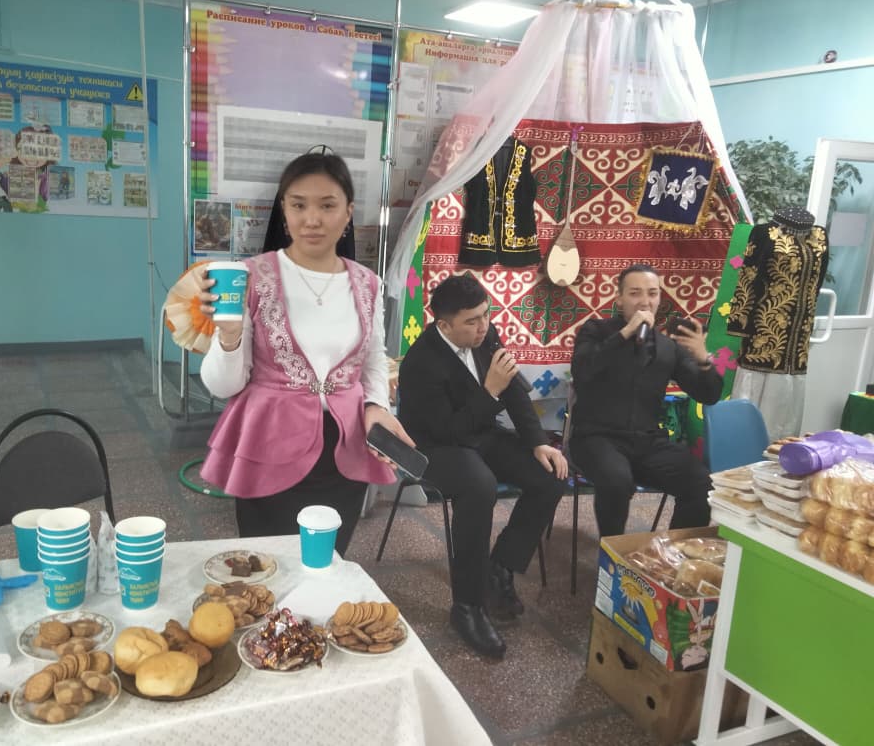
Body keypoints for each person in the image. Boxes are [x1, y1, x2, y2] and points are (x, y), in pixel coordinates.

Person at [198, 152, 412, 555]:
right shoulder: (250, 276)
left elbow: (373, 359)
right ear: (284, 210)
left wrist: (377, 406)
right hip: (268, 441)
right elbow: (223, 385)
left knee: (326, 560)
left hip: (345, 448)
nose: (312, 219)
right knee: (267, 564)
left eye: (327, 206)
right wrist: (229, 335)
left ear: (348, 212)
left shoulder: (368, 283)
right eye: (298, 205)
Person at [398, 274, 568, 659]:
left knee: (550, 475)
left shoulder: (485, 336)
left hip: (481, 434)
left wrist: (539, 442)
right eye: (472, 320)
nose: (483, 326)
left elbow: (514, 391)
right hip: (435, 447)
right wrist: (489, 390)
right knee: (479, 486)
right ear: (444, 326)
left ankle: (500, 567)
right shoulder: (420, 363)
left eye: (486, 315)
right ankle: (468, 607)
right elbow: (449, 431)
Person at [569, 263, 724, 538]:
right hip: (595, 438)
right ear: (619, 298)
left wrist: (703, 359)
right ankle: (612, 550)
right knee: (616, 481)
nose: (645, 301)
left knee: (700, 482)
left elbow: (708, 395)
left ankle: (676, 552)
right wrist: (626, 333)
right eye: (635, 293)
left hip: (646, 441)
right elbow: (583, 373)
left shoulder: (667, 347)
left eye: (652, 293)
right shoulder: (596, 331)